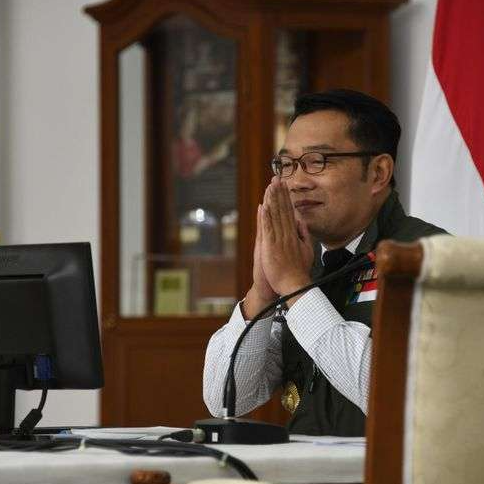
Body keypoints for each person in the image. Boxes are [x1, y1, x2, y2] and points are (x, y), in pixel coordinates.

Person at [202, 89, 446, 436]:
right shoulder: (304, 261)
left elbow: (399, 396)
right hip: (309, 462)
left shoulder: (429, 257)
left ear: (378, 173)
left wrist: (295, 287)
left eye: (318, 161)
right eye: (287, 165)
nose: (297, 182)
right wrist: (262, 292)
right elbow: (227, 399)